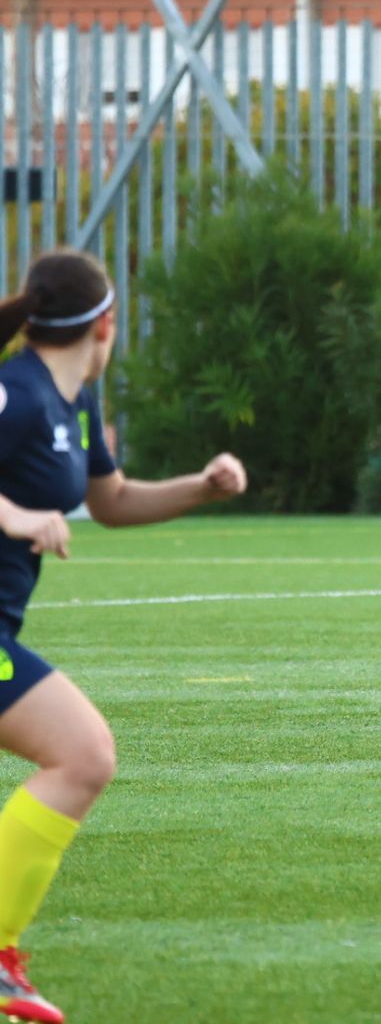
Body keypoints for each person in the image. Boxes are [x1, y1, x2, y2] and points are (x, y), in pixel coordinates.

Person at [0, 249, 248, 1023]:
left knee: (82, 755)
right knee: (83, 753)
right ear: (107, 321)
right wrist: (13, 515)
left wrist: (200, 489)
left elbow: (109, 501)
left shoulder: (74, 398)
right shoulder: (16, 391)